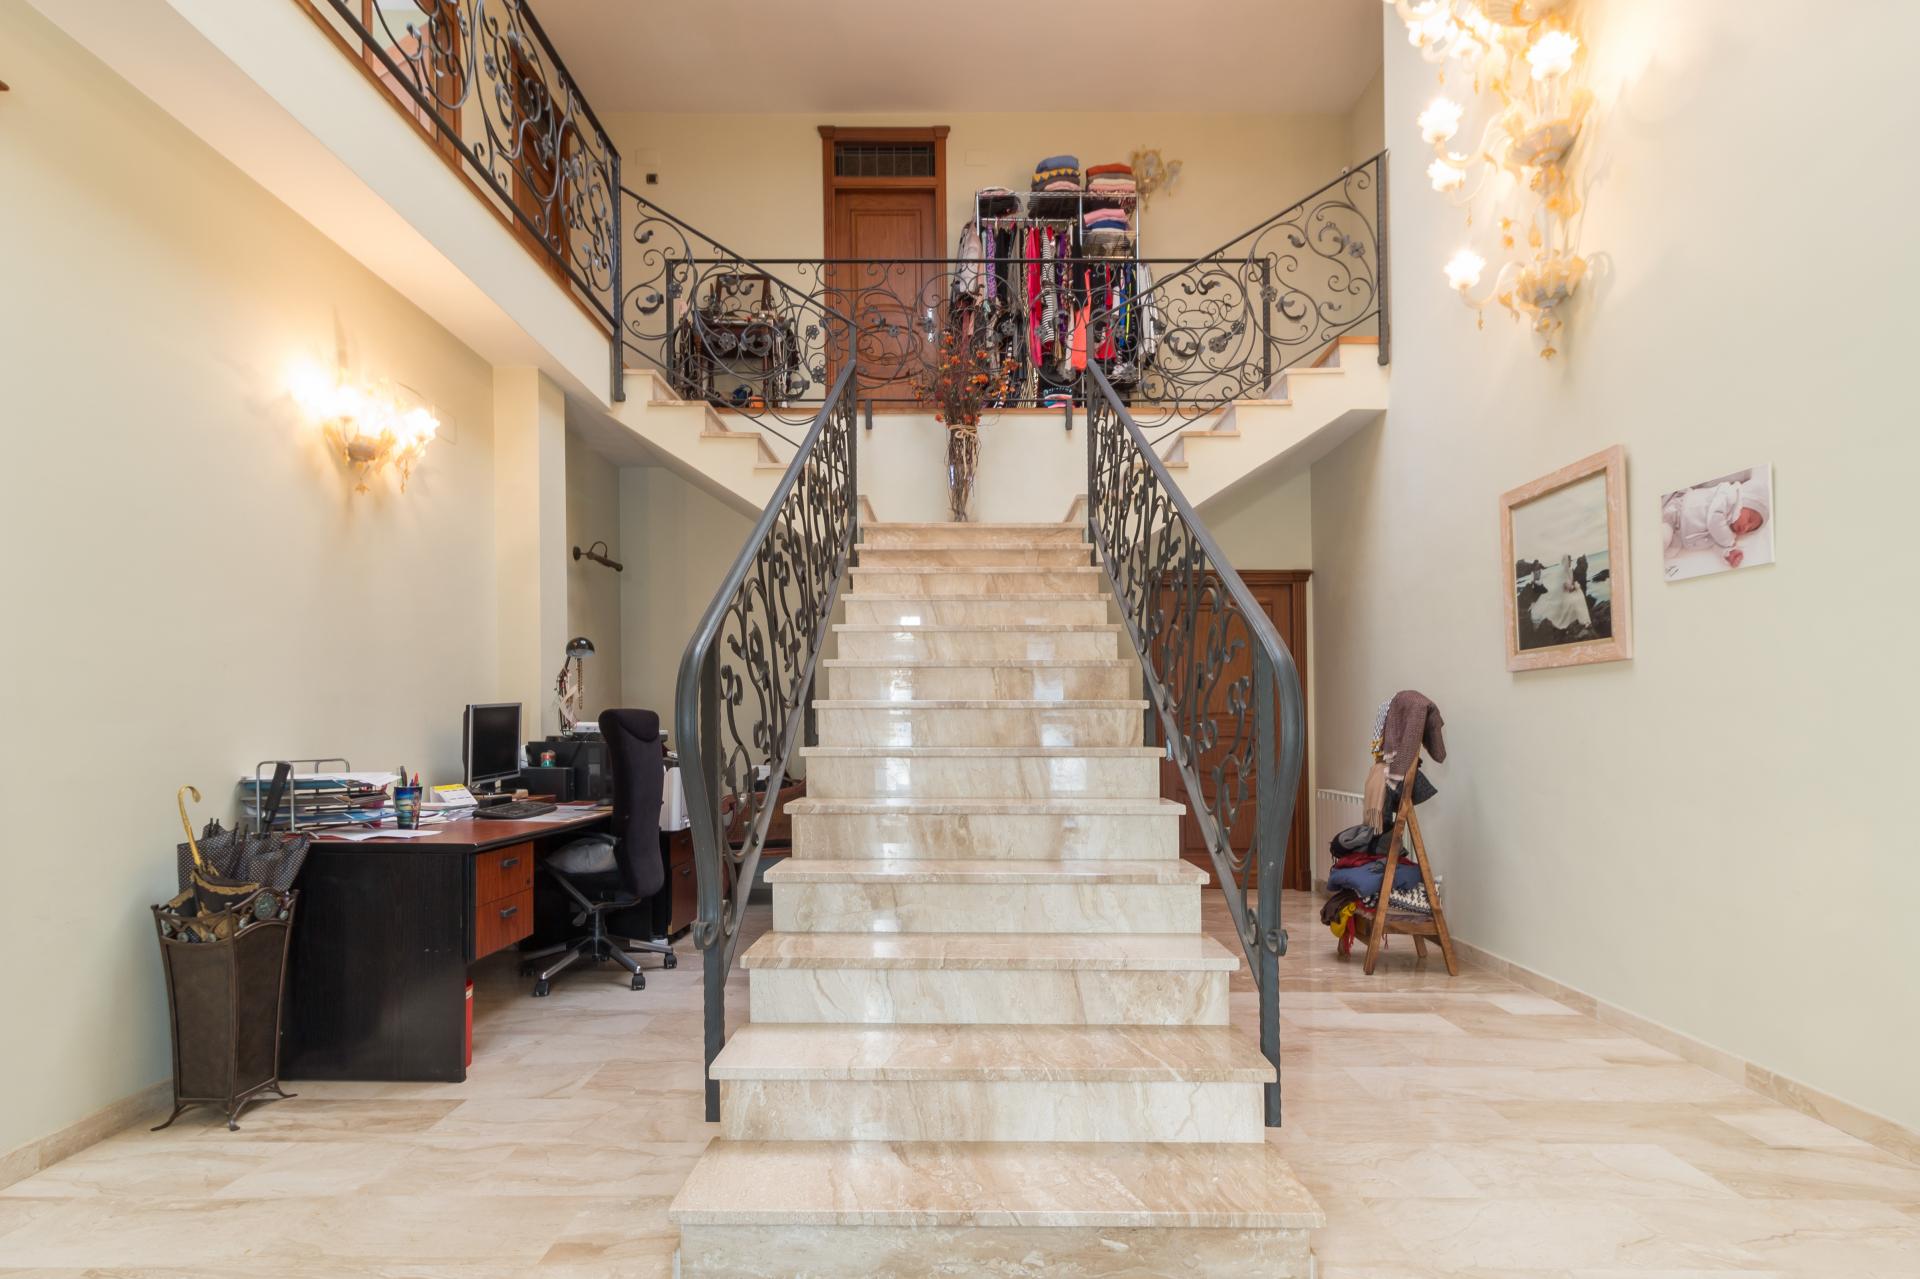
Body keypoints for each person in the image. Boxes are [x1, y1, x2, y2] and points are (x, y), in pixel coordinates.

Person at [1662, 470, 1769, 568]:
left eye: (1750, 529)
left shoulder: (1727, 533)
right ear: (1743, 502)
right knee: (1664, 538)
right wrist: (1729, 543)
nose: (1746, 527)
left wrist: (1729, 552)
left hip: (1678, 536)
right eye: (1749, 520)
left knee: (1667, 549)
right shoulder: (1728, 496)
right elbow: (1714, 520)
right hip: (1676, 514)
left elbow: (1717, 541)